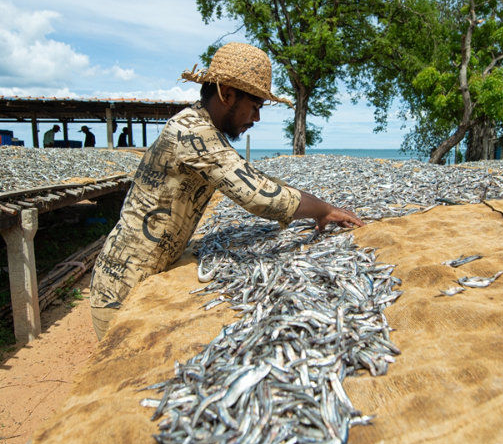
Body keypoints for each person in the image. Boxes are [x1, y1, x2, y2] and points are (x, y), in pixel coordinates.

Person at [88, 42, 364, 340]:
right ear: (227, 94)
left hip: (148, 269)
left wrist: (318, 203)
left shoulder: (203, 128)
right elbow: (259, 196)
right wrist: (323, 210)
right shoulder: (194, 132)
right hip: (124, 285)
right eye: (255, 107)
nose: (256, 118)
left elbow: (253, 176)